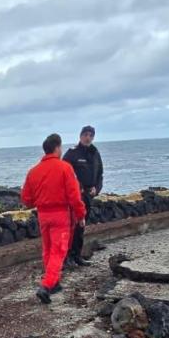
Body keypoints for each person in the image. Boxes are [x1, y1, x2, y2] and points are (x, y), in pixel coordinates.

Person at [21, 133, 87, 303]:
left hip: (43, 215)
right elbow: (74, 196)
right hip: (60, 214)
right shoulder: (65, 168)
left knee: (48, 249)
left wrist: (40, 201)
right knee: (58, 251)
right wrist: (80, 215)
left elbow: (26, 199)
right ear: (57, 148)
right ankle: (46, 286)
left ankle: (54, 282)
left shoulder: (33, 171)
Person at [63, 125, 103, 266]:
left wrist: (96, 189)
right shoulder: (72, 153)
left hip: (88, 196)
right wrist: (77, 187)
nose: (88, 138)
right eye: (85, 135)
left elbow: (100, 174)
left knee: (81, 227)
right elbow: (64, 174)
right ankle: (67, 257)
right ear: (80, 136)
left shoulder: (95, 153)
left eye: (91, 135)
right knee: (72, 227)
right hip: (75, 196)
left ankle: (77, 255)